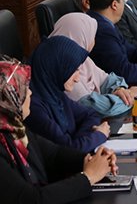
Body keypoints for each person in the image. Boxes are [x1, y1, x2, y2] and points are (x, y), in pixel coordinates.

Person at [0, 57, 118, 203]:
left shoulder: (16, 131)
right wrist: (89, 177)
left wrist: (91, 160)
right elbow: (31, 199)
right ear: (7, 100)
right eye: (23, 89)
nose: (30, 93)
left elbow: (54, 155)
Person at [50, 13, 137, 117]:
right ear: (81, 38)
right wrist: (132, 97)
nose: (93, 42)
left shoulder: (84, 60)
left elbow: (109, 80)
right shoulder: (62, 69)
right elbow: (95, 108)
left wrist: (120, 90)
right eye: (90, 36)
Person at [24, 36, 109, 153]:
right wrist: (98, 135)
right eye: (73, 70)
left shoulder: (55, 93)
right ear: (56, 68)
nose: (77, 79)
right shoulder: (33, 108)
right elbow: (69, 150)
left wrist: (79, 140)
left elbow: (91, 114)